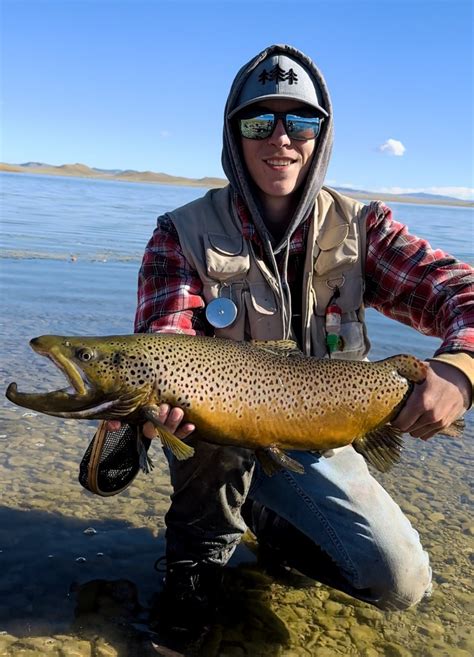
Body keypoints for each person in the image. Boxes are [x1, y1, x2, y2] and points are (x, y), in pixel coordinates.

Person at [108, 44, 473, 636]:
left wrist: (461, 367)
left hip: (318, 437)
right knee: (203, 417)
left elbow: (462, 293)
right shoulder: (180, 233)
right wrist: (156, 405)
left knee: (401, 584)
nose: (281, 138)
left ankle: (274, 525)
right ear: (234, 134)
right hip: (216, 440)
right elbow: (163, 338)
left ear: (320, 135)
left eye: (299, 121)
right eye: (259, 121)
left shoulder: (364, 228)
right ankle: (194, 563)